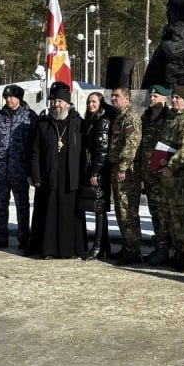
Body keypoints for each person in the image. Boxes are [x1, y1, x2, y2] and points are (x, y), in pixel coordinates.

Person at [28, 81, 89, 259]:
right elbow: (34, 152)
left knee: (69, 215)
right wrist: (35, 175)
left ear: (68, 104)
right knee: (48, 214)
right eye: (54, 102)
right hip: (48, 176)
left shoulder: (78, 124)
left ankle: (70, 250)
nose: (56, 105)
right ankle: (47, 250)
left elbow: (87, 150)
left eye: (60, 102)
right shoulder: (43, 124)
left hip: (71, 177)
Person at [0, 84, 37, 251]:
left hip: (20, 170)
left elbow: (34, 146)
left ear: (19, 98)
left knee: (22, 206)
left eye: (12, 97)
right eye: (6, 97)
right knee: (0, 205)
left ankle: (24, 238)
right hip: (0, 168)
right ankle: (1, 237)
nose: (8, 100)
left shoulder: (29, 117)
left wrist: (31, 170)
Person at [154, 85, 184, 271]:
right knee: (169, 214)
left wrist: (171, 167)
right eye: (173, 97)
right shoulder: (171, 118)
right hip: (165, 175)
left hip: (178, 176)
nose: (174, 100)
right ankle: (175, 250)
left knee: (179, 214)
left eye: (178, 98)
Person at [107, 65, 144, 265]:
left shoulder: (130, 118)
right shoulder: (119, 117)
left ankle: (134, 250)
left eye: (117, 96)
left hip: (127, 172)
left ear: (127, 99)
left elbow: (132, 144)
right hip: (117, 169)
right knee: (121, 211)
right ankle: (127, 246)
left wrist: (122, 167)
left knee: (128, 211)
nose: (113, 99)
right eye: (112, 96)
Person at [138, 85, 173, 264]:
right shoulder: (146, 117)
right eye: (151, 95)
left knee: (164, 212)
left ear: (165, 99)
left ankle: (166, 248)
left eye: (156, 96)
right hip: (148, 173)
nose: (151, 98)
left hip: (163, 173)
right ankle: (159, 246)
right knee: (154, 212)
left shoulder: (170, 118)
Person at [78, 91, 113, 260]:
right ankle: (104, 245)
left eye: (94, 102)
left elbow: (102, 150)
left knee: (99, 209)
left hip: (98, 171)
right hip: (91, 168)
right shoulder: (91, 121)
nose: (90, 104)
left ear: (100, 104)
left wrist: (96, 172)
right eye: (88, 102)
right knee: (97, 207)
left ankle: (99, 246)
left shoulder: (103, 121)